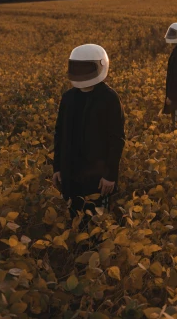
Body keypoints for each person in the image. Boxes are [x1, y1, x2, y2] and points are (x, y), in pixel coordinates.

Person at [53, 44, 126, 225]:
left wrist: (110, 175)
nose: (80, 73)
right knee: (74, 218)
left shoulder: (109, 98)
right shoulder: (68, 97)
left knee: (97, 222)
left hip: (98, 176)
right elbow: (59, 133)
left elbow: (117, 139)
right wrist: (57, 167)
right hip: (70, 172)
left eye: (86, 68)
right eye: (77, 67)